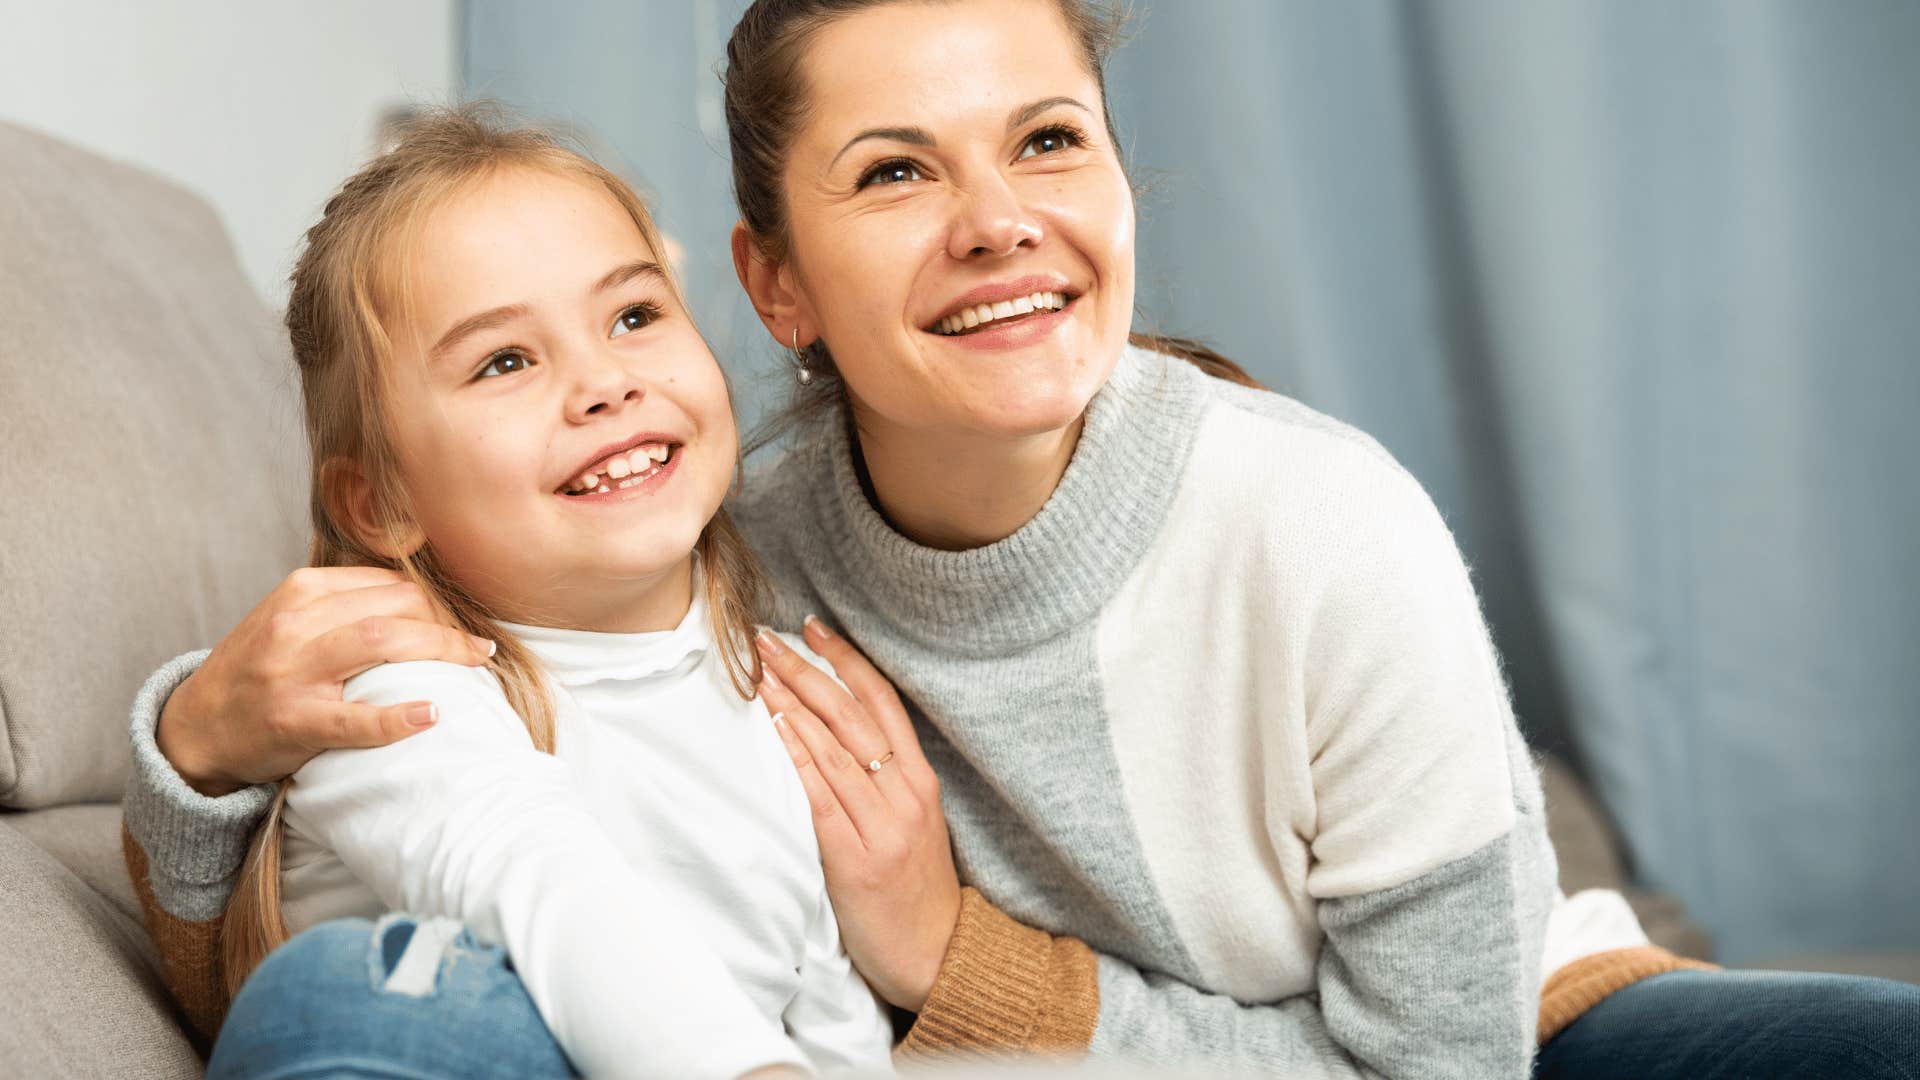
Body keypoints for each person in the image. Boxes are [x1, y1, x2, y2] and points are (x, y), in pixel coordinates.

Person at [126, 1, 1920, 1077]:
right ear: (775, 283)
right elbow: (385, 951)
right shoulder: (711, 547)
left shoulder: (1323, 525)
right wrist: (199, 750)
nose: (1000, 224)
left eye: (1047, 141)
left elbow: (1432, 1062)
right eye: (896, 171)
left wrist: (948, 959)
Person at [186, 108, 893, 1080]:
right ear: (383, 499)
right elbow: (535, 872)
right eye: (505, 361)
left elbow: (821, 990)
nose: (604, 381)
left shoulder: (782, 683)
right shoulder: (393, 685)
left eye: (634, 316)